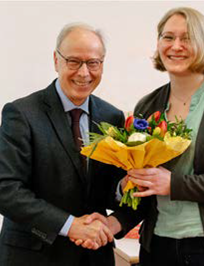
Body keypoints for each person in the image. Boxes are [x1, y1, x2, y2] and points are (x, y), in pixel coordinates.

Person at [105, 7, 204, 266]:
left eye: (186, 38)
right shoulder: (148, 105)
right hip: (159, 248)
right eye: (168, 37)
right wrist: (115, 217)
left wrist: (174, 184)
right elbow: (149, 191)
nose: (176, 46)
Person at [0, 23, 125, 265]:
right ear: (56, 60)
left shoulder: (113, 118)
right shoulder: (21, 113)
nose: (84, 72)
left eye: (93, 63)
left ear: (102, 64)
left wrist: (122, 188)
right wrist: (70, 226)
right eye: (74, 61)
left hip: (93, 256)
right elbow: (6, 189)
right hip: (33, 255)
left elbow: (108, 190)